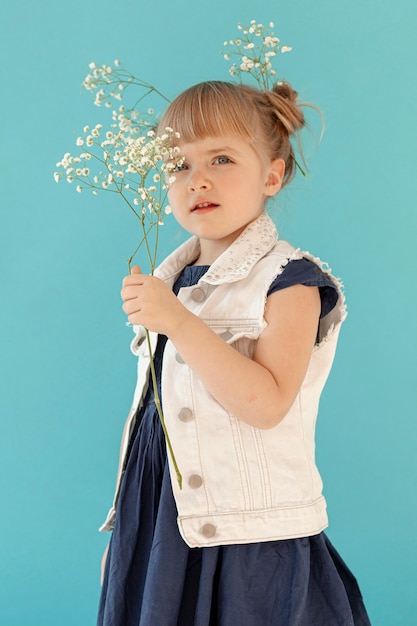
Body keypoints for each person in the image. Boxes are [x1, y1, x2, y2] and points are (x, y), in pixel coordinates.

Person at [97, 80, 371, 625]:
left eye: (221, 158)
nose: (196, 178)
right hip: (163, 518)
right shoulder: (168, 281)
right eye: (177, 165)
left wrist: (176, 321)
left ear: (273, 174)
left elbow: (266, 403)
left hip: (248, 533)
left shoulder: (289, 283)